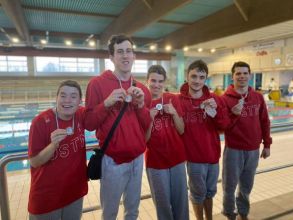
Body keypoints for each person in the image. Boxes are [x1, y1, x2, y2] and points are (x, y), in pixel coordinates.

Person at [84, 34, 151, 219]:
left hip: (137, 160)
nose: (125, 56)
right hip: (112, 162)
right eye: (119, 52)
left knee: (133, 210)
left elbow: (147, 124)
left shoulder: (142, 89)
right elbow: (88, 123)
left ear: (134, 56)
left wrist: (140, 105)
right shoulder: (97, 84)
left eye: (129, 51)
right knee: (110, 212)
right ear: (111, 57)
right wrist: (106, 103)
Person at [28, 80, 87, 220]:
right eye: (63, 95)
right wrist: (53, 145)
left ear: (80, 101)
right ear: (56, 98)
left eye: (73, 96)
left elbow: (99, 114)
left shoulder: (81, 115)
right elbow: (35, 161)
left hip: (75, 193)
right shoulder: (40, 122)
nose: (67, 100)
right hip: (47, 198)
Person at [221, 61, 272, 220]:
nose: (242, 76)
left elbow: (264, 121)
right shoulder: (225, 99)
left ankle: (243, 212)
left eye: (245, 73)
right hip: (234, 149)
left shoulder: (257, 97)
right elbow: (223, 126)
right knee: (229, 186)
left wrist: (267, 144)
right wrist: (233, 114)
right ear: (232, 76)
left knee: (246, 185)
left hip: (252, 150)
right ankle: (230, 213)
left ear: (249, 75)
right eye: (238, 73)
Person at [178, 60, 228, 220]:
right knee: (198, 193)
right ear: (187, 76)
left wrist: (216, 111)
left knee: (210, 192)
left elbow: (225, 125)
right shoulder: (179, 101)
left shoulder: (215, 99)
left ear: (205, 79)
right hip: (194, 158)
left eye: (201, 77)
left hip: (213, 156)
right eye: (194, 76)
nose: (197, 81)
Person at [145, 65, 189, 220]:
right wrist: (149, 119)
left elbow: (182, 129)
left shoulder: (172, 98)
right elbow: (144, 140)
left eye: (160, 81)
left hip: (176, 158)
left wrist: (174, 113)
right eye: (153, 80)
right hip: (155, 162)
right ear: (147, 81)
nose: (156, 85)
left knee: (181, 202)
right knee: (163, 206)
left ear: (164, 82)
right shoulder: (142, 104)